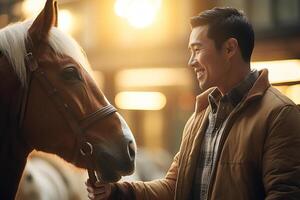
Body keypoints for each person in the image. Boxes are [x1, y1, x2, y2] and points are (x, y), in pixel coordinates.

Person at [86, 7, 300, 200]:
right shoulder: (200, 116)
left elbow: (285, 194)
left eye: (197, 49)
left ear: (229, 49)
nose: (191, 61)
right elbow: (174, 187)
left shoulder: (279, 114)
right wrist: (118, 191)